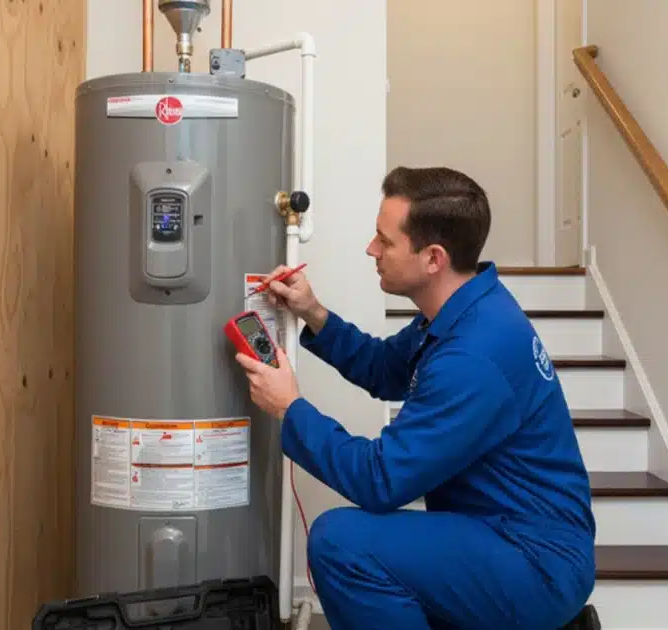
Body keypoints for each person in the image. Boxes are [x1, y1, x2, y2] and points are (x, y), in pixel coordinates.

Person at [234, 166, 597, 630]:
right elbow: (386, 368)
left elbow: (380, 480)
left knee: (341, 542)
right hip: (499, 532)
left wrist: (291, 409)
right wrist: (314, 313)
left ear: (433, 259)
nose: (371, 249)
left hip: (535, 563)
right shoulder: (463, 309)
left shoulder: (473, 355)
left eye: (385, 241)